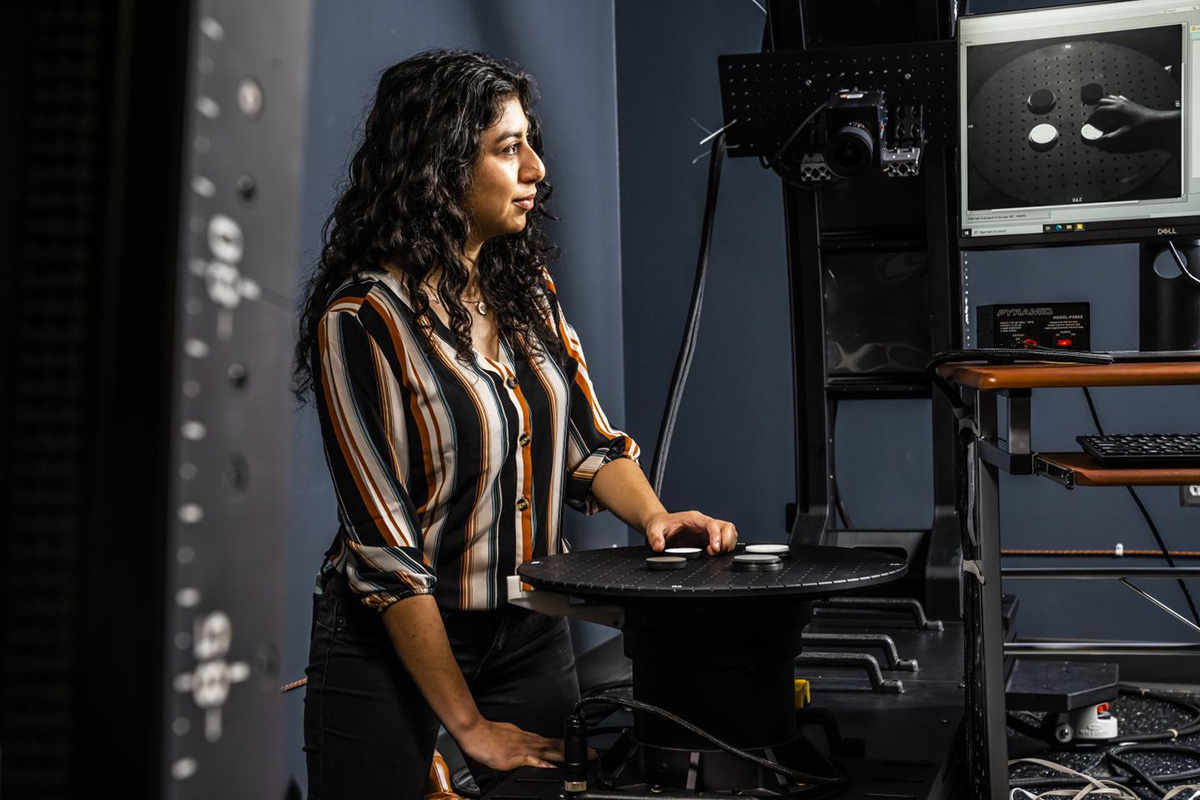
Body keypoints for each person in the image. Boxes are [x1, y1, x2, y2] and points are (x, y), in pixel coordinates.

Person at [293, 49, 739, 799]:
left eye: (530, 143)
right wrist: (468, 730)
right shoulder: (362, 321)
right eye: (508, 148)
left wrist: (659, 518)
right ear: (438, 164)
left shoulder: (527, 290)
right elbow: (387, 558)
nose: (536, 168)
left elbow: (588, 447)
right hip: (388, 644)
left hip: (528, 629)